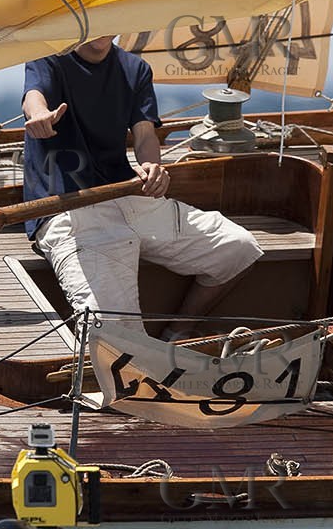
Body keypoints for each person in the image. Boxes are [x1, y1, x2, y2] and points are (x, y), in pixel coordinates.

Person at [22, 34, 262, 337]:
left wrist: (152, 167)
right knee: (109, 325)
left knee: (238, 249)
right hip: (68, 207)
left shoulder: (134, 68)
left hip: (127, 194)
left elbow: (145, 136)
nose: (103, 29)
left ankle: (179, 331)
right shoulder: (48, 58)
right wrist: (40, 115)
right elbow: (34, 95)